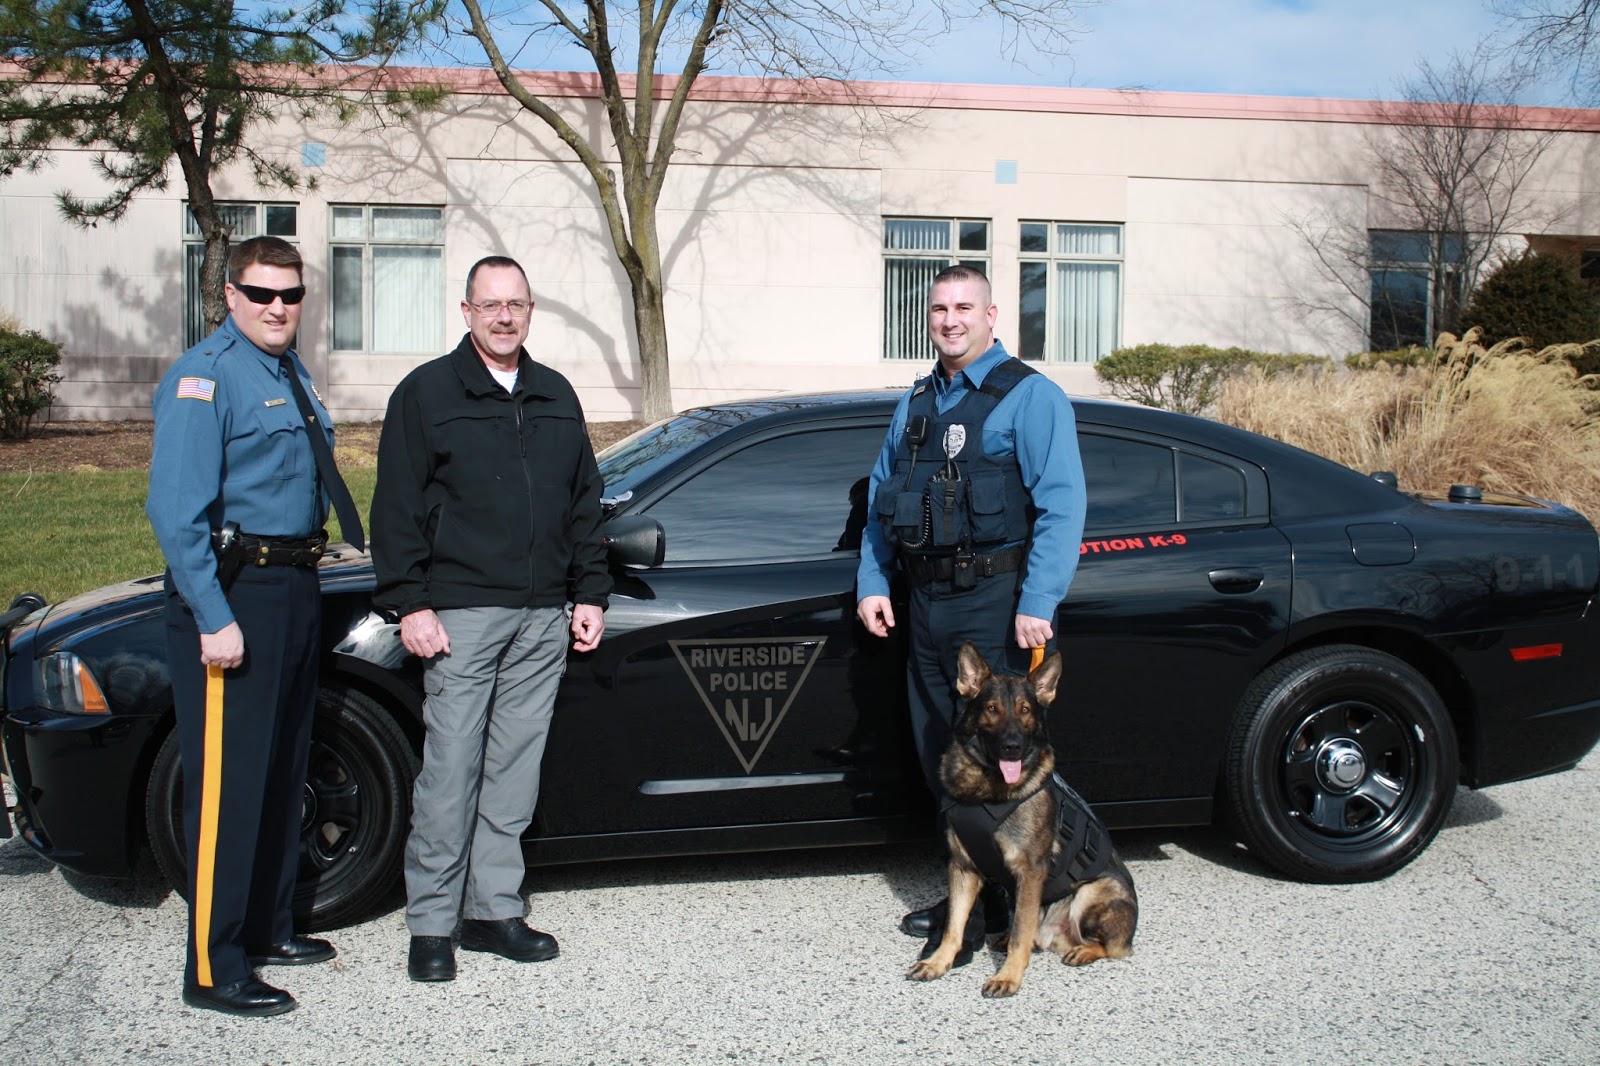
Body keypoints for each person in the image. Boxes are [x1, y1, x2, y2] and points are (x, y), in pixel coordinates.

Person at [370, 254, 612, 983]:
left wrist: (591, 590)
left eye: (517, 304)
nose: (504, 316)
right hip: (463, 614)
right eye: (490, 304)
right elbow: (397, 506)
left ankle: (493, 910)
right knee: (450, 771)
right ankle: (433, 925)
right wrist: (410, 601)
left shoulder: (555, 394)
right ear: (466, 310)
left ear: (530, 311)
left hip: (542, 615)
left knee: (513, 774)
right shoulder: (427, 394)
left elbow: (583, 502)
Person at [148, 236, 355, 1017]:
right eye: (262, 294)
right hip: (237, 597)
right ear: (228, 296)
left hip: (294, 583)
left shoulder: (287, 370)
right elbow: (176, 512)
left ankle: (268, 926)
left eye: (291, 295)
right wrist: (213, 614)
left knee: (278, 770)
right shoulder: (206, 377)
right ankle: (213, 964)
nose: (278, 308)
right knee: (229, 790)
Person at [855, 264, 1087, 957]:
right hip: (925, 604)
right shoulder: (918, 401)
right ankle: (971, 892)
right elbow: (881, 495)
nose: (950, 320)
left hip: (996, 601)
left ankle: (1017, 900)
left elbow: (1062, 503)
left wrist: (1038, 601)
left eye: (964, 307)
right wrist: (874, 580)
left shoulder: (1030, 397)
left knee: (1006, 758)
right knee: (945, 758)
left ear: (992, 316)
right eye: (938, 309)